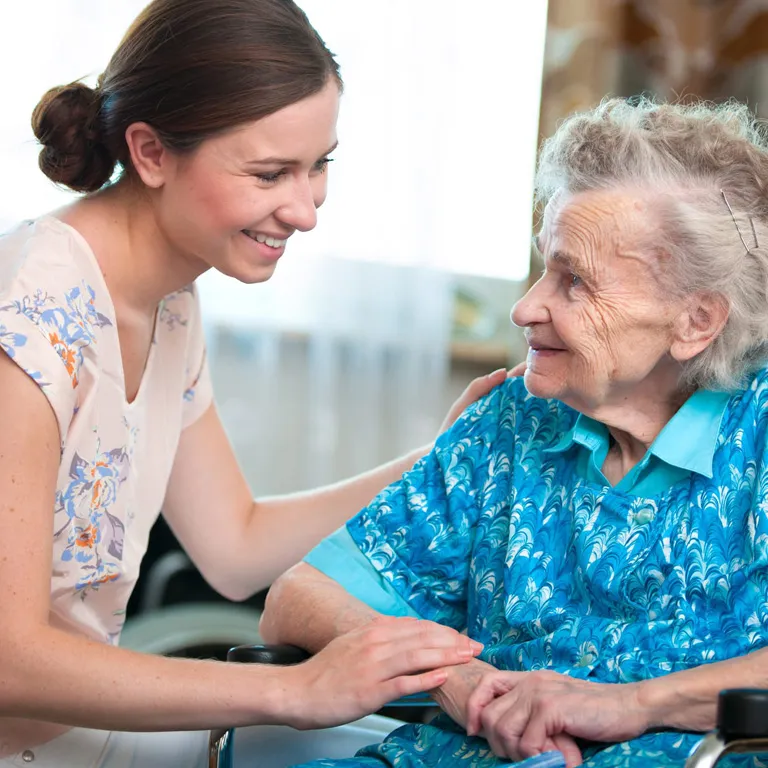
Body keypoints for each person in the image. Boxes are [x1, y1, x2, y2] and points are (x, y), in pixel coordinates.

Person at [0, 0, 503, 765]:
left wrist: (441, 458)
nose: (305, 210)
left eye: (320, 165)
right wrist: (293, 690)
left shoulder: (169, 299)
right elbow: (8, 660)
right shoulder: (29, 317)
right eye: (270, 173)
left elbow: (234, 544)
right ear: (151, 152)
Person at [261, 96, 768, 768]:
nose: (526, 308)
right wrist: (457, 680)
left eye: (575, 281)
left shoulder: (757, 434)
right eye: (543, 268)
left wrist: (632, 704)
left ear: (696, 321)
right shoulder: (513, 420)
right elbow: (297, 599)